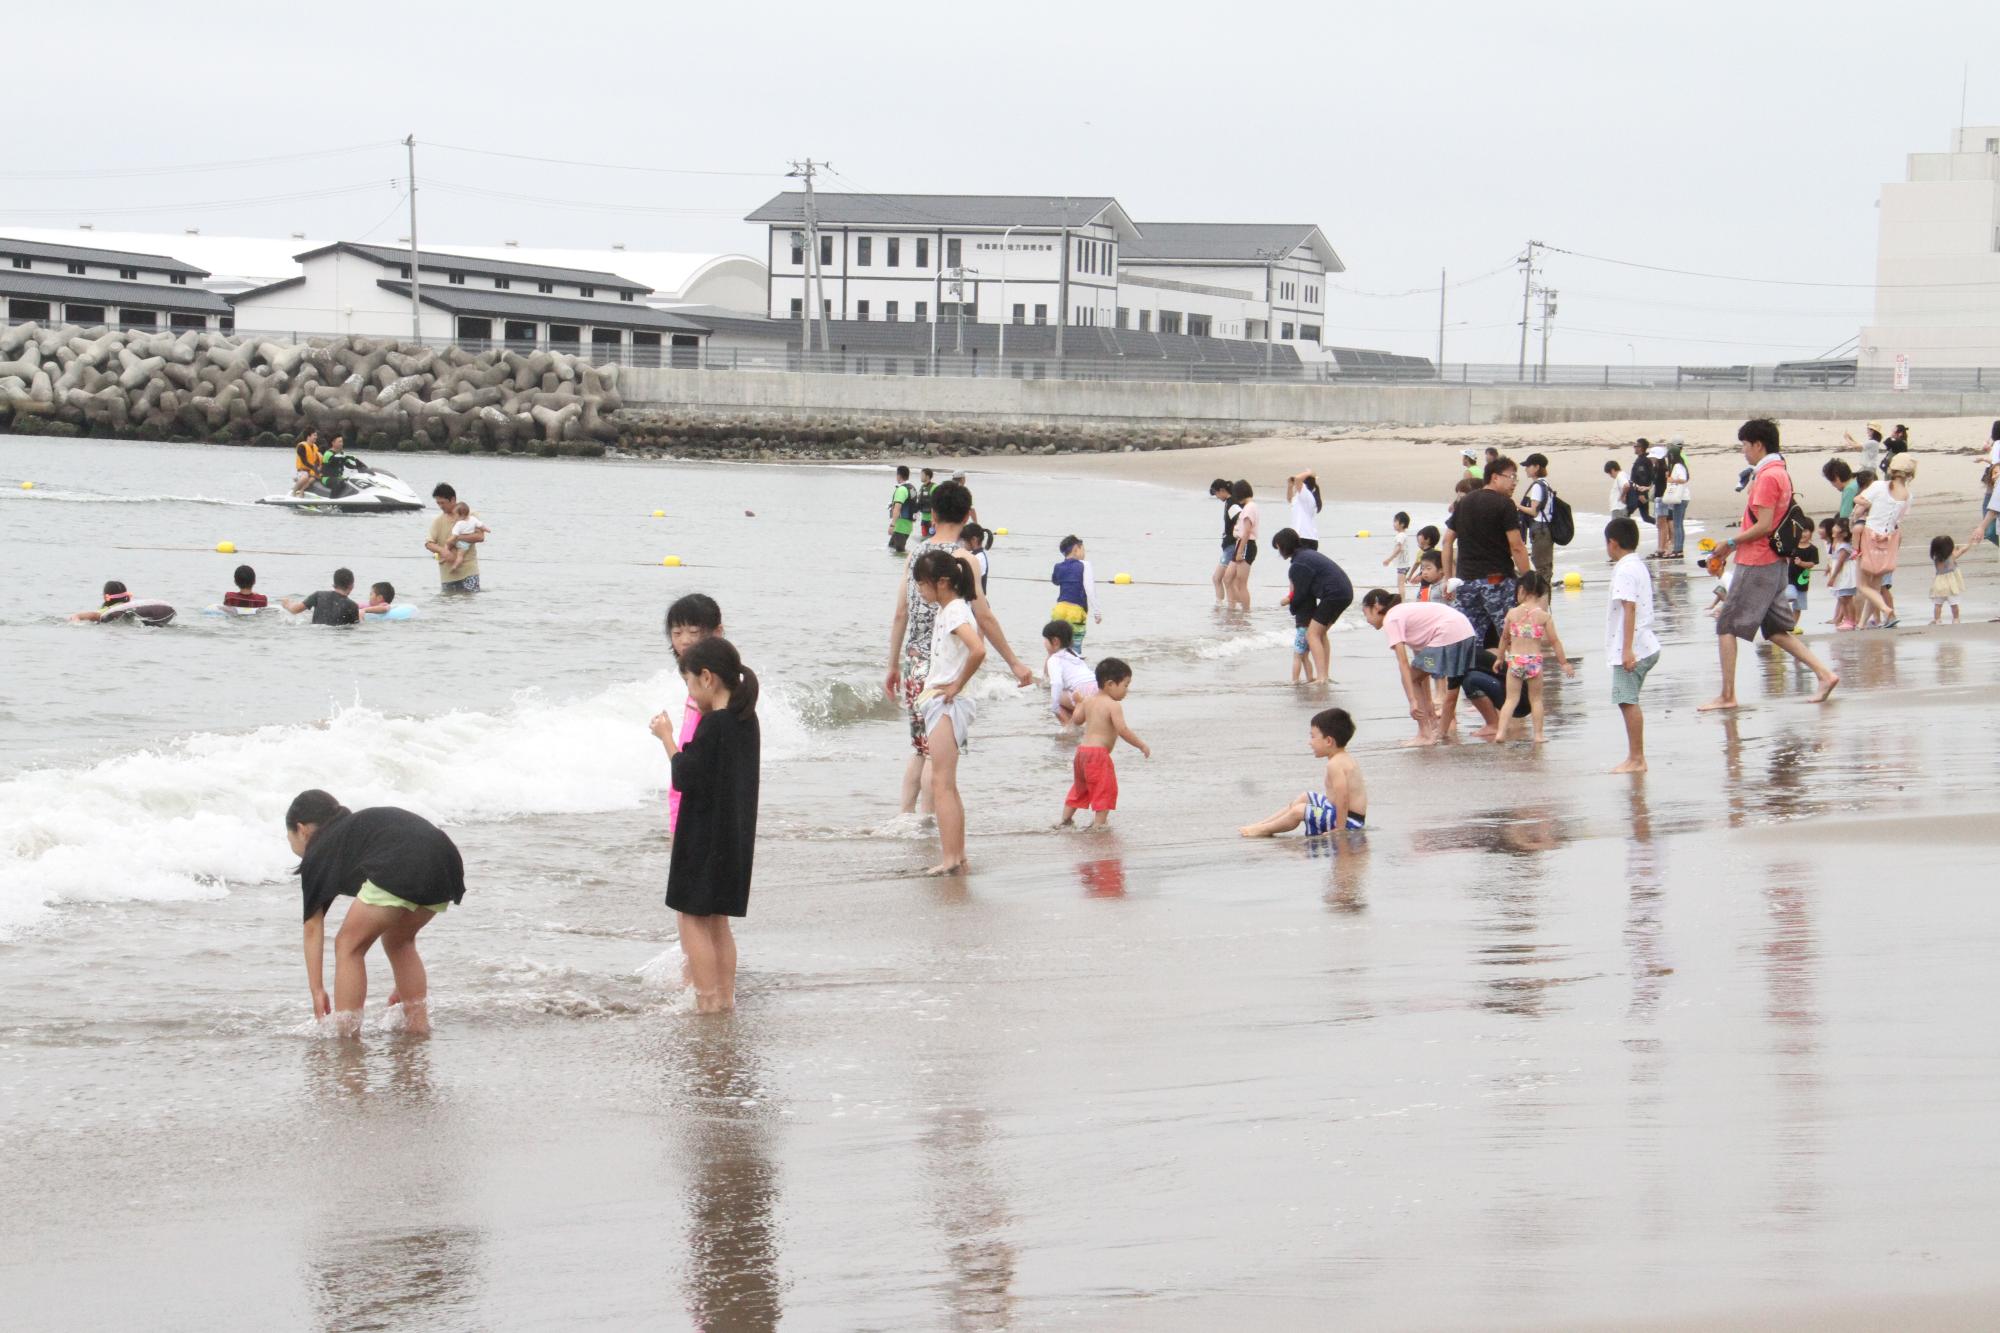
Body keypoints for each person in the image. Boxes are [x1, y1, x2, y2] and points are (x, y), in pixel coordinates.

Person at [885, 479, 1033, 817]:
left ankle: (905, 820)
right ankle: (926, 826)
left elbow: (900, 613)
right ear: (967, 516)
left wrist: (892, 665)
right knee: (938, 756)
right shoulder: (966, 558)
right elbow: (984, 616)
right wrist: (1014, 663)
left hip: (913, 660)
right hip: (945, 667)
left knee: (919, 749)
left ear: (932, 514)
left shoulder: (916, 554)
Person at [286, 788, 465, 1036]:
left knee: (348, 945)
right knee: (399, 941)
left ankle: (347, 1036)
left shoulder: (319, 851)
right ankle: (417, 1026)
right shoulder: (357, 829)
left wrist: (317, 990)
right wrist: (405, 981)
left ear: (301, 828)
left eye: (289, 836)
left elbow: (313, 927)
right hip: (445, 863)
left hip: (403, 862)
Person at [649, 637, 759, 1013]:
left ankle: (707, 999)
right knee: (719, 923)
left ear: (708, 678)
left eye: (690, 684)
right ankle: (725, 998)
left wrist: (666, 738)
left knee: (694, 918)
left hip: (702, 838)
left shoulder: (714, 725)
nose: (691, 694)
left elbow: (685, 775)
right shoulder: (747, 720)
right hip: (735, 836)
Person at [1699, 419, 1840, 710]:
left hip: (1757, 560)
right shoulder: (1780, 472)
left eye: (1745, 445)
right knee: (1775, 630)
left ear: (1758, 444)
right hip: (1775, 562)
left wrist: (1730, 544)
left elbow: (1763, 525)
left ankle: (1727, 695)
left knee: (1726, 625)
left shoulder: (1767, 477)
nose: (1743, 451)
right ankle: (1825, 674)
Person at [910, 548, 987, 874]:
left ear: (941, 582)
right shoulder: (951, 610)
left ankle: (951, 857)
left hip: (947, 704)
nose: (919, 590)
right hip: (943, 703)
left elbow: (978, 649)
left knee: (942, 783)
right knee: (947, 784)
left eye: (922, 584)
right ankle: (957, 854)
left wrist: (955, 685)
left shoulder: (955, 610)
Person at [1360, 589, 1480, 746]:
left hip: (1449, 635)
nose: (1367, 620)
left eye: (1365, 613)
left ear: (1375, 607)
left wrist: (1412, 702)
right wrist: (1428, 705)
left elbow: (1403, 663)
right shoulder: (1404, 612)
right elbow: (1421, 664)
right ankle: (1433, 728)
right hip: (1465, 633)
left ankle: (1425, 734)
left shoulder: (1391, 619)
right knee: (1417, 674)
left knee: (1410, 676)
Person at [1440, 454, 1529, 650]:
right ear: (1495, 477)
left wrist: (1449, 578)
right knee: (1511, 637)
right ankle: (1515, 680)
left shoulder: (1464, 503)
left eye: (1516, 478)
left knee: (1469, 640)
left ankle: (1469, 680)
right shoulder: (1505, 504)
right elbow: (1517, 546)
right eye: (1511, 477)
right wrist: (1528, 578)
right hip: (1496, 580)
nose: (1514, 483)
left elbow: (1447, 541)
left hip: (1466, 582)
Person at [1237, 708, 1367, 839]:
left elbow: (1343, 797)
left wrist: (1340, 829)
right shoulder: (1343, 758)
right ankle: (1262, 824)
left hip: (1349, 822)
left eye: (1313, 737)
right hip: (1343, 814)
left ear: (1328, 741)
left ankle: (1265, 829)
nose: (1309, 742)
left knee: (1299, 810)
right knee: (1305, 797)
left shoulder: (1334, 764)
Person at [658, 594, 726, 838]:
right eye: (676, 633)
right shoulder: (696, 685)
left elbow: (691, 770)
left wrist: (665, 735)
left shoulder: (712, 691)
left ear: (717, 632)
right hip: (685, 807)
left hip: (698, 814)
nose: (684, 641)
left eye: (693, 632)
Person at [1058, 658, 1149, 830]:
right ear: (1110, 684)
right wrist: (1141, 745)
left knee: (1080, 788)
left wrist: (1078, 703)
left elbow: (1076, 720)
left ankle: (1065, 820)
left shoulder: (1088, 701)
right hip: (1098, 755)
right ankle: (1099, 826)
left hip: (1082, 753)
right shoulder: (1113, 705)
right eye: (1125, 685)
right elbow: (1122, 730)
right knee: (1105, 789)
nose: (1127, 691)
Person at [1603, 517, 1661, 774]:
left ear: (1612, 543)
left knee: (1627, 700)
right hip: (1645, 642)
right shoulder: (1637, 564)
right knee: (1627, 699)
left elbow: (1629, 608)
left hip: (1633, 645)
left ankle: (1637, 758)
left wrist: (1626, 650)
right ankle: (1635, 757)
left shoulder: (1626, 569)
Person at [1492, 572, 1576, 744]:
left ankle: (1500, 733)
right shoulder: (1543, 616)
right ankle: (1538, 735)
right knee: (1536, 700)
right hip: (1534, 662)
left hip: (1515, 660)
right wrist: (1564, 663)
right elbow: (1554, 641)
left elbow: (1504, 638)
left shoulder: (1512, 613)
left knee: (1511, 699)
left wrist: (1499, 658)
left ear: (1522, 590)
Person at [1273, 526, 1353, 685]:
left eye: (1278, 547)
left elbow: (1301, 594)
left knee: (1312, 634)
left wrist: (1292, 608)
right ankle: (1324, 675)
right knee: (1320, 633)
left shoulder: (1298, 564)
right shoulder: (1306, 555)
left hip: (1334, 594)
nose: (1279, 551)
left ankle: (1322, 677)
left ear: (1284, 546)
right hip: (1344, 591)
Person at [1852, 454, 1913, 629]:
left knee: (1863, 585)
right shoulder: (1909, 496)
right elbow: (1899, 519)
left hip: (1870, 535)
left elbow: (1858, 500)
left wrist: (1867, 505)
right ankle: (1862, 624)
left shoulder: (1879, 486)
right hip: (1890, 538)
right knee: (1876, 585)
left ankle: (1887, 609)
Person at [424, 483, 483, 594]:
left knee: (470, 607)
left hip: (469, 572)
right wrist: (443, 551)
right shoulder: (438, 521)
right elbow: (428, 543)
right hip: (447, 576)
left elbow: (480, 536)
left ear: (453, 499)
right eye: (438, 503)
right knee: (448, 609)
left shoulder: (470, 515)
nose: (440, 506)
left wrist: (457, 538)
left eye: (443, 503)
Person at [1042, 619, 1096, 726]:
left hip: (1082, 693)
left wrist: (1054, 707)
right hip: (1097, 689)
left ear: (1055, 641)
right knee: (1066, 692)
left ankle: (1068, 728)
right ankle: (1076, 724)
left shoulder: (1054, 659)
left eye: (1045, 640)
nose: (1044, 643)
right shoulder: (1074, 654)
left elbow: (1056, 683)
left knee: (1056, 700)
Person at [1050, 535, 1099, 652]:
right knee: (1075, 650)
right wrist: (1097, 611)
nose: (1084, 553)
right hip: (1076, 611)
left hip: (1059, 609)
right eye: (1083, 549)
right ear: (1077, 548)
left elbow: (1055, 581)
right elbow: (1089, 588)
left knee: (1056, 649)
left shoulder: (1058, 566)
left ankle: (1049, 670)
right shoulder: (1084, 565)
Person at [1518, 454, 1557, 581]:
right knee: (1546, 566)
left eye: (1528, 466)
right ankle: (1545, 595)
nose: (1526, 469)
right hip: (1547, 529)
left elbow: (1534, 512)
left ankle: (1542, 597)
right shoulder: (1545, 484)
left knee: (1541, 567)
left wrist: (1517, 505)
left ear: (1536, 467)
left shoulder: (1537, 486)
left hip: (1540, 529)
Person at [69, 579, 174, 626]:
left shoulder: (108, 611)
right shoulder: (130, 609)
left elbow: (87, 616)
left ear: (107, 597)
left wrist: (75, 620)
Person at [1225, 479, 1259, 611]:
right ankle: (1232, 608)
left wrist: (1239, 551)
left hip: (1246, 545)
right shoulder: (1249, 507)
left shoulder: (1250, 507)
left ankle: (1246, 612)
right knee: (1228, 578)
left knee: (1241, 583)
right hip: (1241, 544)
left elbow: (1247, 532)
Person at [283, 568, 361, 625]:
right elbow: (355, 627)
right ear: (351, 586)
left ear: (334, 584)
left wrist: (287, 603)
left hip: (316, 633)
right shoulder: (352, 606)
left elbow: (295, 610)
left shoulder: (318, 595)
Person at [1209, 478, 1238, 605]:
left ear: (1222, 491)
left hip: (1232, 546)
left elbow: (1240, 521)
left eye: (1216, 494)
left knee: (1217, 578)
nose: (1216, 497)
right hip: (1230, 546)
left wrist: (1235, 538)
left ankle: (1221, 605)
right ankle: (1230, 607)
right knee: (1228, 580)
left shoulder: (1232, 503)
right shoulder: (1229, 502)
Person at [1659, 442, 1692, 558]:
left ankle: (1678, 549)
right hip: (1683, 497)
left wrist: (1671, 480)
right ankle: (1678, 549)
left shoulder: (1678, 466)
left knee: (1678, 524)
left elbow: (1683, 479)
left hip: (1681, 497)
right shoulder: (1679, 465)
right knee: (1679, 524)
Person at [1825, 518, 1859, 629]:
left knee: (1846, 598)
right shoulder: (1836, 543)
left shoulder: (1844, 547)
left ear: (1844, 533)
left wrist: (1833, 577)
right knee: (1842, 598)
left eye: (1837, 527)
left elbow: (1840, 563)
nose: (1834, 528)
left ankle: (1851, 620)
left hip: (1845, 575)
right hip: (1840, 574)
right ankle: (1848, 620)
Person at [444, 500, 489, 574]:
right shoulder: (473, 519)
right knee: (460, 556)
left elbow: (455, 536)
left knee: (447, 545)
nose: (454, 516)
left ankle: (444, 556)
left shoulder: (459, 524)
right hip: (465, 543)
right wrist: (487, 530)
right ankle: (455, 566)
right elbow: (481, 526)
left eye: (455, 514)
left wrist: (448, 541)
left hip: (457, 540)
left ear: (461, 515)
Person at [1929, 536, 1964, 624]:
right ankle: (1955, 618)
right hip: (1951, 585)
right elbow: (1962, 551)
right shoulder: (1951, 557)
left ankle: (1937, 619)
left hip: (1939, 584)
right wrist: (1970, 543)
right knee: (1954, 604)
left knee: (1938, 605)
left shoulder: (1936, 558)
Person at [1286, 471, 1323, 549]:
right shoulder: (1300, 497)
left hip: (1306, 538)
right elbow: (1290, 499)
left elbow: (1298, 479)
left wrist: (1309, 472)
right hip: (1301, 537)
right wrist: (1290, 486)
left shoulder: (1307, 495)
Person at [1623, 440, 1655, 523]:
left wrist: (1641, 494)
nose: (1634, 448)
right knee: (1646, 517)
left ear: (1640, 448)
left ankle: (1626, 533)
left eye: (1636, 446)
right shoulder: (1643, 459)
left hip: (1638, 493)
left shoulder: (1643, 461)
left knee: (1625, 513)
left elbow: (1643, 478)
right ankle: (1663, 526)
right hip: (1639, 492)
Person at [888, 465, 916, 554]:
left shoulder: (901, 489)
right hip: (908, 525)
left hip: (900, 525)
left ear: (899, 475)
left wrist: (892, 525)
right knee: (891, 548)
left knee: (899, 552)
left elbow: (897, 507)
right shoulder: (912, 488)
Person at [1384, 512, 1412, 595]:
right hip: (1404, 564)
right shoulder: (1403, 535)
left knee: (1400, 585)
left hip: (1403, 564)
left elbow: (1399, 548)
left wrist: (1389, 559)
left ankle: (1402, 601)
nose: (1394, 524)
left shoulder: (1401, 535)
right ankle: (1402, 600)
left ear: (1402, 524)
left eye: (1396, 521)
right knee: (1400, 584)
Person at [290, 428, 323, 495]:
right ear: (308, 436)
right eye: (314, 435)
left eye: (316, 435)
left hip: (310, 471)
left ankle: (302, 490)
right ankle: (293, 492)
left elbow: (316, 460)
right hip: (301, 471)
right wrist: (314, 468)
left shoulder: (315, 447)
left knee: (316, 476)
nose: (316, 437)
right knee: (305, 476)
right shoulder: (301, 446)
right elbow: (304, 461)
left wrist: (318, 470)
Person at [916, 467, 936, 538]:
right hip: (924, 519)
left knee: (932, 540)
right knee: (923, 539)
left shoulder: (934, 487)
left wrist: (934, 520)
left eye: (922, 475)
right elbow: (919, 502)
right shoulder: (922, 487)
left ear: (927, 476)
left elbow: (936, 504)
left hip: (932, 520)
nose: (920, 477)